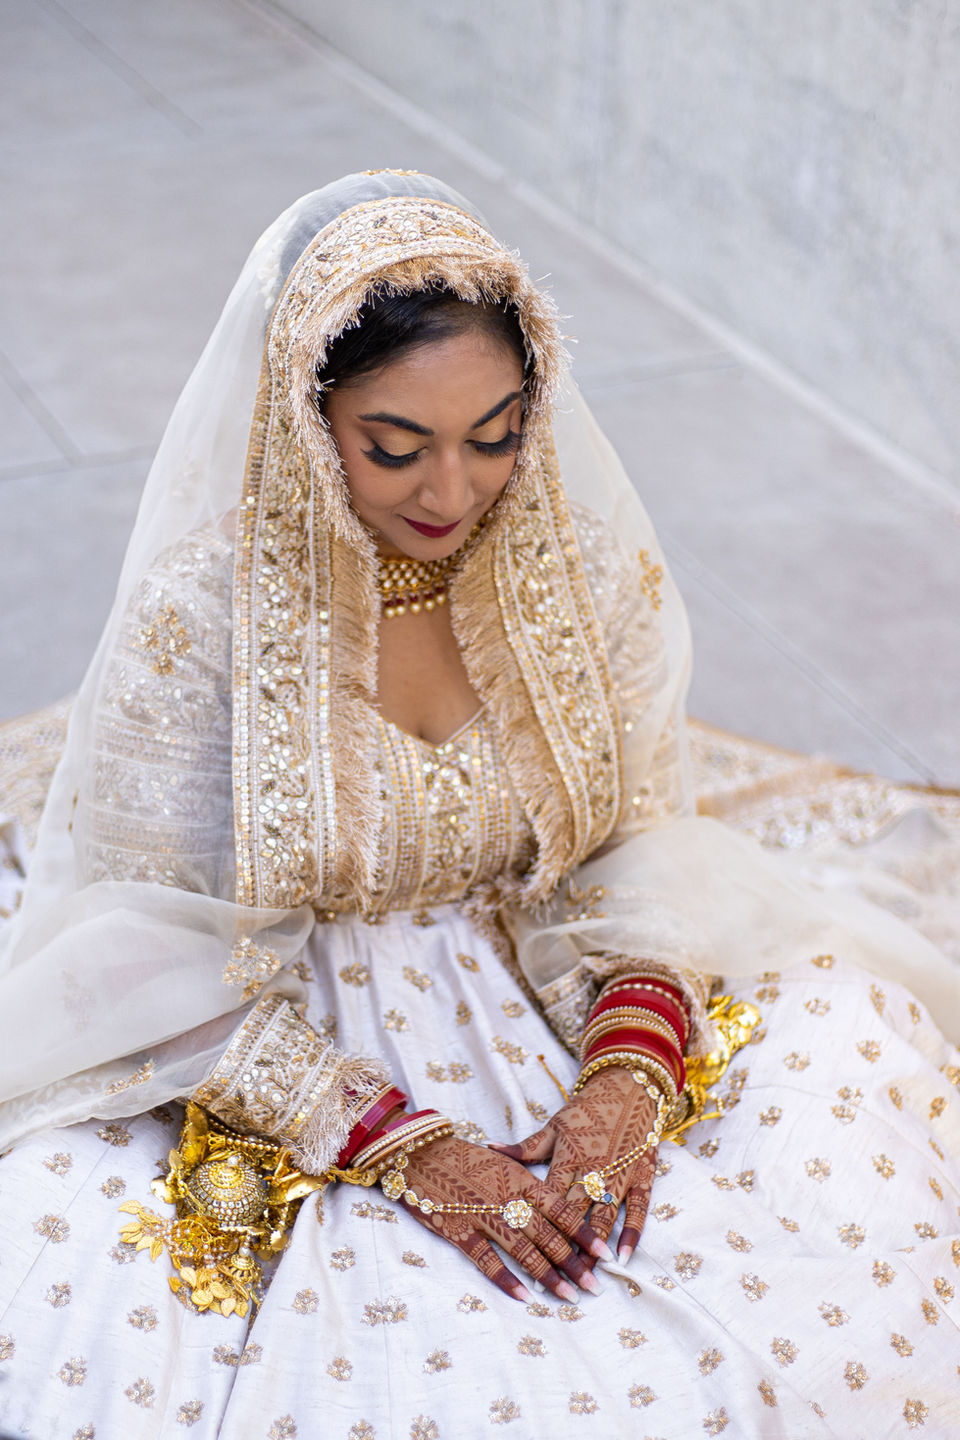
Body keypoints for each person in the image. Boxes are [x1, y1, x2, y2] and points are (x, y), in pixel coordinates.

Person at [0, 170, 958, 1440]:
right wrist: (408, 1148)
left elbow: (640, 838)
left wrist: (624, 1073)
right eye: (393, 447)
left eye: (495, 435)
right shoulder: (204, 617)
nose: (451, 493)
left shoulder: (563, 564)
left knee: (848, 1136)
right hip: (288, 1026)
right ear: (304, 414)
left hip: (539, 979)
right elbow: (145, 955)